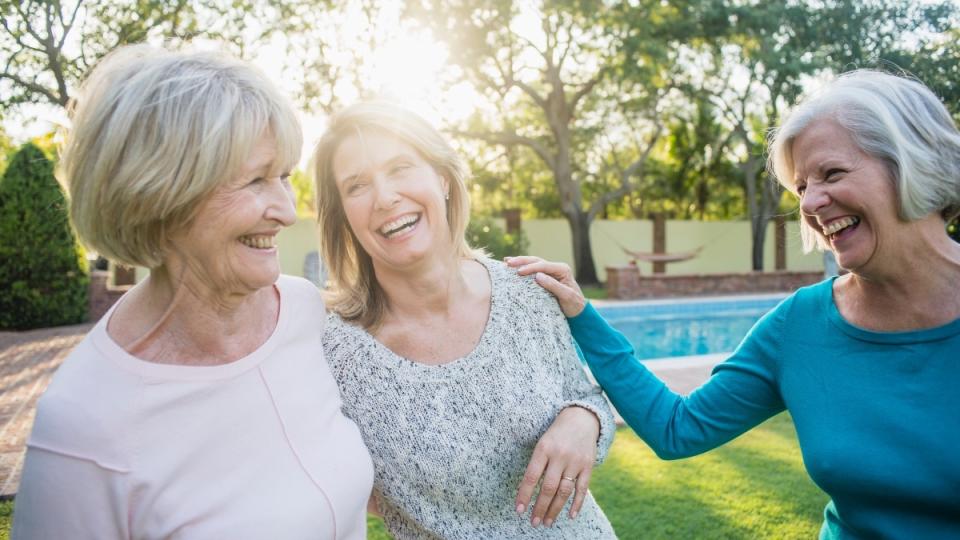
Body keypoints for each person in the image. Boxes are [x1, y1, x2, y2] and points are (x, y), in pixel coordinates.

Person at [509, 69, 960, 539]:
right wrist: (583, 315)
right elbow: (677, 428)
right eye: (802, 186)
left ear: (913, 163)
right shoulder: (799, 325)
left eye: (832, 173)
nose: (810, 203)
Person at [12, 45, 373, 539]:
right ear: (159, 196)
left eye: (284, 176)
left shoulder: (303, 312)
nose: (287, 210)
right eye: (255, 180)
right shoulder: (83, 422)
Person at [313, 102, 618, 539]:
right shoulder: (333, 352)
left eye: (400, 168)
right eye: (357, 185)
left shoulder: (528, 291)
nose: (384, 198)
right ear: (342, 213)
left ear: (442, 178)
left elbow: (585, 394)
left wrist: (583, 418)